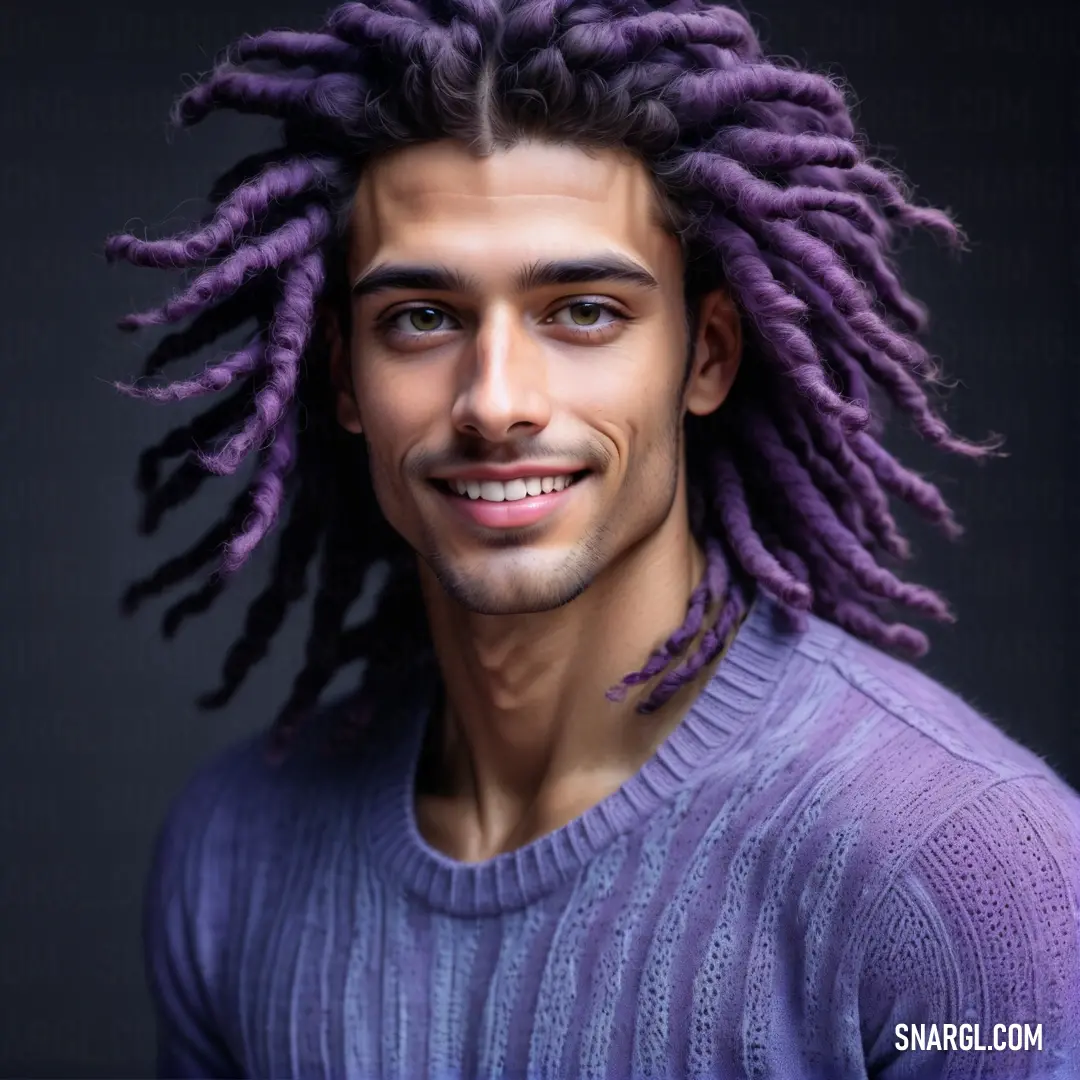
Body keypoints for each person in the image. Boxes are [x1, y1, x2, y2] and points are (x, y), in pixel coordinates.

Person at [106, 0, 1080, 1076]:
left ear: (706, 356)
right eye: (421, 317)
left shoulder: (966, 873)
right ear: (342, 376)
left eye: (583, 312)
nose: (496, 402)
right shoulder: (234, 853)